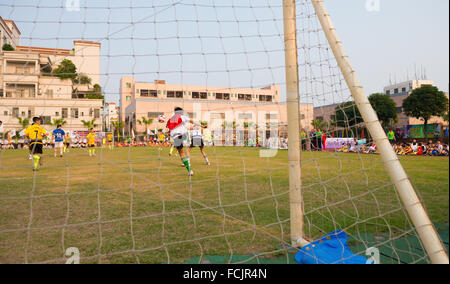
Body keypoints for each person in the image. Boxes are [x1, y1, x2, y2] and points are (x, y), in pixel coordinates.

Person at [166, 107, 204, 176]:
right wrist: (201, 126)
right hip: (184, 134)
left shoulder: (170, 120)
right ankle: (187, 139)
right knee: (185, 147)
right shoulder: (183, 117)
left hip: (176, 137)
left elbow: (169, 128)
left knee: (181, 153)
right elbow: (192, 121)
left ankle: (189, 170)